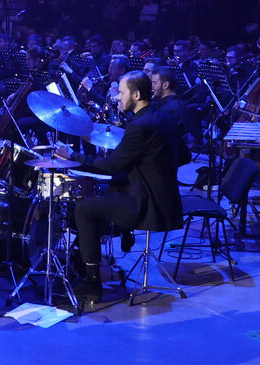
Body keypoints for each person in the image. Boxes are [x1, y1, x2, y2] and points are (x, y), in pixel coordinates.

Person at [72, 71, 180, 311]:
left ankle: (92, 284)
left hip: (146, 204)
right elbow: (185, 155)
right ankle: (87, 257)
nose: (118, 97)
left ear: (137, 94)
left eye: (121, 92)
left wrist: (72, 156)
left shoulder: (140, 126)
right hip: (166, 199)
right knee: (101, 195)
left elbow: (111, 165)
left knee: (83, 209)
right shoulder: (163, 117)